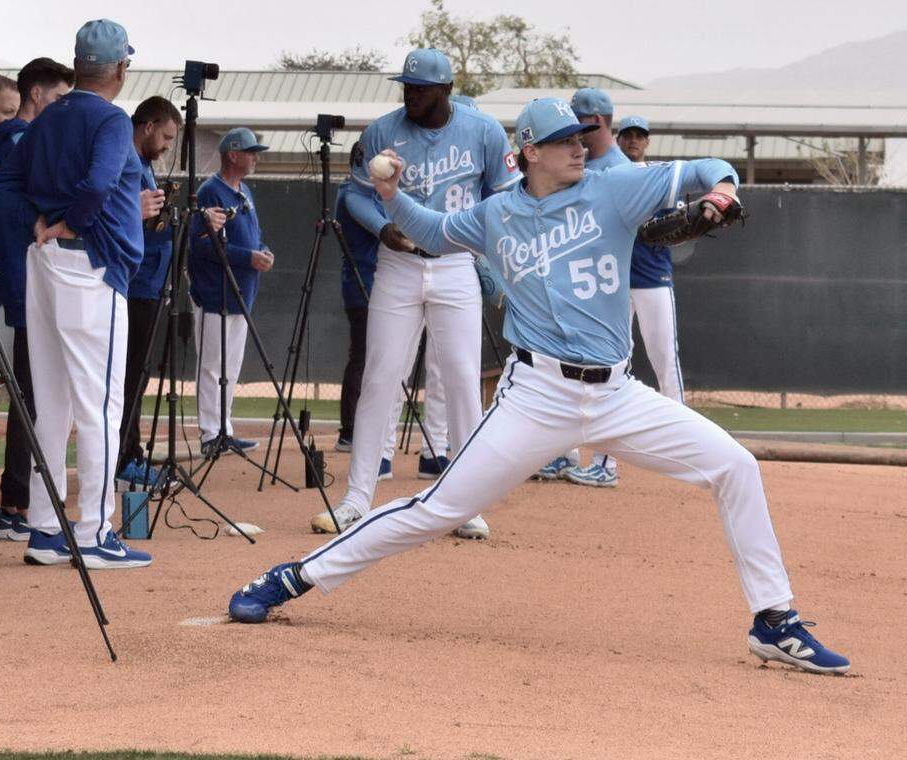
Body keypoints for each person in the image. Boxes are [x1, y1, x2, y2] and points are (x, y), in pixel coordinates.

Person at [226, 97, 851, 676]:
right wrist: (389, 193)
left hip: (617, 395)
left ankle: (774, 620)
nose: (579, 147)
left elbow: (709, 166)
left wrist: (720, 189)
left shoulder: (617, 188)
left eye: (580, 136)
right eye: (562, 140)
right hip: (536, 397)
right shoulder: (497, 214)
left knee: (736, 467)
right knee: (438, 509)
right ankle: (293, 577)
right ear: (527, 151)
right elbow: (436, 231)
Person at [308, 48, 521, 540]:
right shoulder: (384, 130)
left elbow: (506, 194)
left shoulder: (483, 130)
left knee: (464, 380)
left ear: (446, 89)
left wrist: (486, 250)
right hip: (399, 266)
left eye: (420, 88)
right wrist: (383, 229)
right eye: (406, 86)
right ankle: (356, 499)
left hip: (454, 264)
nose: (410, 94)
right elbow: (355, 193)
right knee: (381, 376)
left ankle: (464, 502)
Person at [0, 19, 152, 568]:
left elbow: (7, 183)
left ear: (80, 63)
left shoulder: (48, 116)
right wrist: (68, 224)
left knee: (54, 403)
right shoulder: (110, 119)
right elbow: (101, 183)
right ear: (121, 69)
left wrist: (39, 224)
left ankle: (43, 529)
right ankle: (93, 533)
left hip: (44, 267)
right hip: (92, 268)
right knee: (101, 405)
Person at [116, 96, 225, 486]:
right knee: (128, 378)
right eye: (164, 136)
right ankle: (124, 459)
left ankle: (129, 453)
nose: (166, 146)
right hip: (133, 285)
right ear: (147, 126)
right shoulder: (123, 157)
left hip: (150, 283)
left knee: (137, 377)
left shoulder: (143, 163)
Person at [0, 59, 74, 541]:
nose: (64, 107)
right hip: (24, 280)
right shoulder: (22, 142)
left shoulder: (7, 143)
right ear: (36, 96)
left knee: (31, 391)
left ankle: (15, 503)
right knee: (32, 394)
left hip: (13, 280)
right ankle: (15, 505)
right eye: (59, 97)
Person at [333, 148, 451, 481]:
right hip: (374, 283)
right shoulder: (354, 196)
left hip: (418, 278)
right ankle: (376, 452)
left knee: (439, 367)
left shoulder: (389, 193)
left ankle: (433, 451)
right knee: (385, 367)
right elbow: (387, 229)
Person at [539, 87, 630, 488]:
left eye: (578, 128)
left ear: (596, 122)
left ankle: (607, 461)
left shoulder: (617, 167)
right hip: (574, 278)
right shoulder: (582, 166)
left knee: (611, 372)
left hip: (610, 281)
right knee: (565, 368)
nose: (572, 140)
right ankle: (564, 451)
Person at [188, 127, 272, 456]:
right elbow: (206, 244)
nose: (255, 157)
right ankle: (211, 434)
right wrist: (248, 256)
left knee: (230, 368)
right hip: (215, 292)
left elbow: (255, 235)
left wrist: (262, 251)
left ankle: (225, 429)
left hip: (242, 292)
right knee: (212, 366)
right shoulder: (212, 191)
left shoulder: (244, 191)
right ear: (233, 155)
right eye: (250, 152)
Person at [616, 115, 685, 405]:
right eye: (627, 134)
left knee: (664, 355)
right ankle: (605, 446)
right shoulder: (609, 175)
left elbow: (679, 227)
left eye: (639, 135)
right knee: (615, 357)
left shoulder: (659, 177)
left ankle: (682, 426)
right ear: (617, 139)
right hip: (614, 281)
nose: (633, 140)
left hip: (653, 278)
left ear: (647, 141)